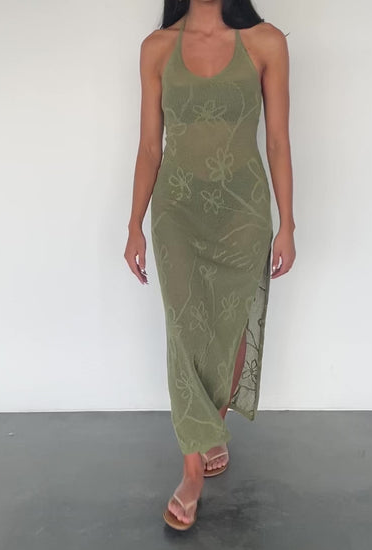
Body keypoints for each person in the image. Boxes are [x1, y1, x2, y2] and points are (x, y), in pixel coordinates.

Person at [124, 0, 295, 531]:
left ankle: (210, 427)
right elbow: (149, 146)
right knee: (184, 329)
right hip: (177, 210)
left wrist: (288, 223)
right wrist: (134, 224)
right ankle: (192, 469)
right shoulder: (156, 49)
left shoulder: (266, 42)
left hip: (243, 211)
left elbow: (277, 140)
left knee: (228, 325)